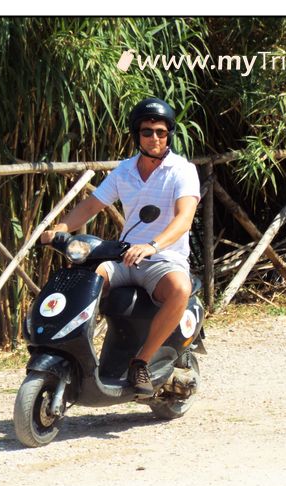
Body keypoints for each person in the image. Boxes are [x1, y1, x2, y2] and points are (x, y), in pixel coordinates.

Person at [40, 97, 200, 395]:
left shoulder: (182, 170)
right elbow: (92, 204)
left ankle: (140, 362)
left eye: (161, 132)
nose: (154, 138)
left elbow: (184, 219)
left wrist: (153, 245)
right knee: (84, 278)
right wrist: (61, 228)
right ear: (137, 135)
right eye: (147, 131)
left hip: (164, 258)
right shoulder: (124, 171)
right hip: (126, 256)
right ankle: (74, 351)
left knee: (180, 289)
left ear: (169, 135)